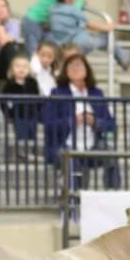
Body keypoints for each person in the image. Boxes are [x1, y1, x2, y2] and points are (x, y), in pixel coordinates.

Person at [42, 49, 117, 179]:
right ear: (66, 71)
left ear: (87, 70)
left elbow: (111, 124)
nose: (75, 68)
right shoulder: (57, 92)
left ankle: (114, 189)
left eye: (79, 65)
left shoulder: (97, 93)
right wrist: (73, 121)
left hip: (93, 145)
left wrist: (94, 122)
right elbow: (49, 124)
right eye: (71, 66)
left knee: (111, 155)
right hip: (65, 145)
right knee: (72, 162)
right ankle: (75, 191)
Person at [47, 0, 130, 70]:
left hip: (64, 44)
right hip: (80, 42)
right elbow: (88, 24)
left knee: (75, 60)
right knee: (107, 37)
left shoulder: (53, 9)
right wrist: (107, 27)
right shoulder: (72, 9)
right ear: (67, 0)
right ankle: (124, 59)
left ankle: (123, 57)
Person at [0, 52, 43, 157]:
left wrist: (38, 110)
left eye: (24, 67)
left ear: (29, 69)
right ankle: (22, 152)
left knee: (32, 132)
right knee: (21, 133)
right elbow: (3, 101)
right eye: (18, 66)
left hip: (32, 113)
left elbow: (38, 97)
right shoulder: (9, 84)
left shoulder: (32, 82)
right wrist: (8, 114)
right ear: (12, 69)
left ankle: (32, 151)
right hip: (18, 114)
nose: (21, 69)